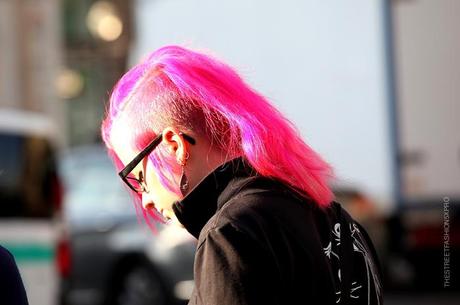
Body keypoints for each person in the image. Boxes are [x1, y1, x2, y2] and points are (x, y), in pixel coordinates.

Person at [101, 45, 383, 305]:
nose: (145, 200)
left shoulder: (230, 234)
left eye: (138, 177)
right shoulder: (338, 221)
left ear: (175, 146)